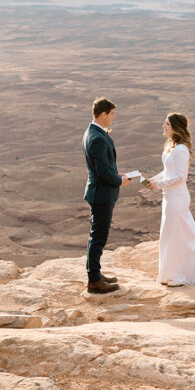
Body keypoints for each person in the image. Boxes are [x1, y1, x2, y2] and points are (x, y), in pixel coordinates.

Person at [144, 112, 195, 287]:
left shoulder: (181, 150)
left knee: (177, 234)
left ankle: (179, 276)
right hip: (169, 197)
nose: (164, 126)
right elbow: (168, 171)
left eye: (167, 124)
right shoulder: (171, 145)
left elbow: (180, 177)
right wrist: (154, 179)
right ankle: (170, 274)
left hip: (177, 198)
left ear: (176, 128)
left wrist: (159, 185)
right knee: (169, 234)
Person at [82, 97, 131, 294]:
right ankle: (94, 280)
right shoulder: (97, 138)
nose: (114, 117)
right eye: (112, 114)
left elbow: (102, 167)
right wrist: (120, 181)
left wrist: (116, 174)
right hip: (101, 194)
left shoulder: (93, 132)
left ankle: (96, 273)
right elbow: (102, 172)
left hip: (100, 192)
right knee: (98, 238)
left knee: (97, 236)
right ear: (103, 114)